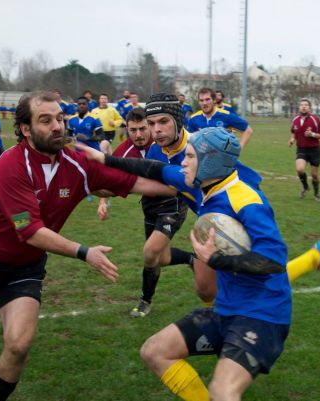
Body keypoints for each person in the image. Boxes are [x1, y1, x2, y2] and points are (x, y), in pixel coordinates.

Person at [0, 91, 174, 401]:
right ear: (25, 129)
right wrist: (85, 252)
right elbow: (29, 231)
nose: (58, 126)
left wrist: (188, 185)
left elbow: (139, 184)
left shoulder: (78, 163)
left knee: (19, 345)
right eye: (45, 121)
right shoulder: (10, 165)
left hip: (24, 267)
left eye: (60, 118)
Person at [83, 127, 296, 400]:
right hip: (227, 310)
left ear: (209, 162)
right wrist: (104, 159)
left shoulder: (246, 201)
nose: (183, 161)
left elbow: (274, 261)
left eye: (190, 156)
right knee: (154, 351)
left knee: (223, 391)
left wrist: (216, 259)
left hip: (262, 314)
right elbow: (153, 168)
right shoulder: (198, 183)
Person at [128, 93, 194, 317]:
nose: (156, 130)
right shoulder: (155, 148)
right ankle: (191, 259)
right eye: (151, 124)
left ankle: (145, 300)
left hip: (173, 207)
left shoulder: (194, 147)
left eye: (163, 122)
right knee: (161, 257)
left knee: (149, 253)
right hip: (150, 207)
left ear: (177, 120)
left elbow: (180, 188)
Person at [96, 107, 152, 221]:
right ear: (127, 129)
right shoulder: (123, 152)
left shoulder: (161, 142)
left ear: (150, 126)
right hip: (150, 202)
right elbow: (108, 179)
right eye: (133, 130)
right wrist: (103, 203)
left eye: (142, 129)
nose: (138, 135)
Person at [188, 87, 253, 150]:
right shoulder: (193, 118)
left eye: (207, 99)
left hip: (223, 159)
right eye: (201, 100)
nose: (204, 103)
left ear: (214, 101)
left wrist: (239, 148)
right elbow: (188, 138)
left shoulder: (226, 115)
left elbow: (248, 130)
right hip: (202, 159)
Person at [288, 98, 320, 201]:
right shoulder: (295, 119)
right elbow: (294, 132)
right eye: (302, 105)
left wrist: (312, 134)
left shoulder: (315, 119)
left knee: (314, 174)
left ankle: (316, 194)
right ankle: (305, 187)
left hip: (314, 150)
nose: (304, 106)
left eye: (306, 105)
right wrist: (292, 139)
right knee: (300, 169)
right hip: (301, 149)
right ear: (299, 107)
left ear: (309, 108)